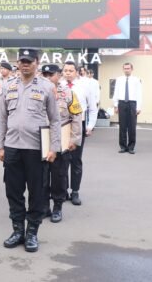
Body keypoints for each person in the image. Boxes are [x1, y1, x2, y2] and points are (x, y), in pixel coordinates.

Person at [0, 48, 59, 253]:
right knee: (13, 191)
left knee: (37, 192)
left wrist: (54, 147)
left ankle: (32, 232)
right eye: (22, 61)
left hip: (36, 148)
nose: (25, 64)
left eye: (29, 61)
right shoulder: (8, 85)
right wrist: (0, 146)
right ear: (17, 62)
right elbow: (2, 118)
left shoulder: (47, 87)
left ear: (37, 63)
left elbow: (55, 119)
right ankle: (17, 231)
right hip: (13, 147)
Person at [41, 64, 82, 223]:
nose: (48, 77)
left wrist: (74, 139)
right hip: (41, 141)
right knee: (41, 177)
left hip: (62, 142)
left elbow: (77, 116)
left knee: (59, 176)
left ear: (59, 76)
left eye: (51, 74)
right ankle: (44, 206)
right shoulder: (35, 92)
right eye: (45, 74)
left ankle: (58, 206)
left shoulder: (68, 93)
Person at [61, 61, 91, 206]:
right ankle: (63, 190)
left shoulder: (84, 86)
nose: (67, 73)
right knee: (62, 160)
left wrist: (90, 126)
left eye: (71, 70)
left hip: (79, 125)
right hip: (62, 126)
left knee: (76, 159)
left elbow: (92, 107)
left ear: (77, 72)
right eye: (65, 70)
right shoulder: (58, 85)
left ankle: (75, 191)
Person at [112, 63, 142, 153]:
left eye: (128, 68)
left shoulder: (136, 80)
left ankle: (131, 147)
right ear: (123, 69)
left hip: (132, 103)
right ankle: (123, 146)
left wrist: (138, 107)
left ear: (132, 69)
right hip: (122, 103)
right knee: (122, 126)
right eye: (125, 68)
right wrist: (115, 105)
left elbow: (139, 94)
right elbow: (116, 92)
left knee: (132, 126)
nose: (126, 70)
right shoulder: (119, 79)